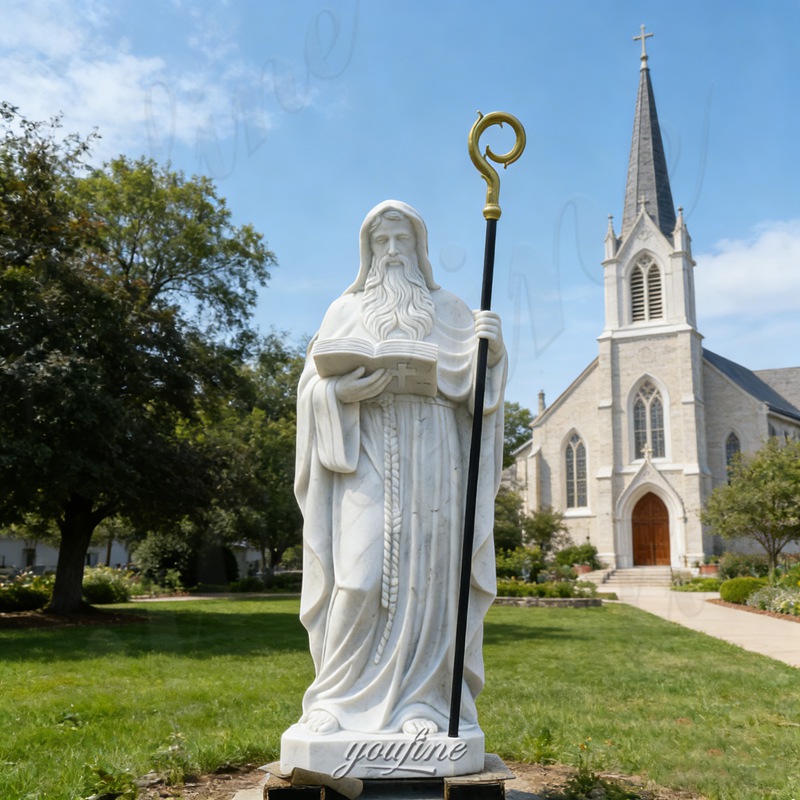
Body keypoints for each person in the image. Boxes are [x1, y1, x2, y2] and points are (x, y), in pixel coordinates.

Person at [294, 200, 506, 737]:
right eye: (381, 242)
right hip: (365, 449)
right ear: (367, 249)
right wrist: (340, 389)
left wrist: (493, 354)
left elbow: (478, 400)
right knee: (360, 579)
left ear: (420, 247)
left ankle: (425, 703)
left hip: (435, 454)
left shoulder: (452, 311)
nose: (392, 252)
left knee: (430, 580)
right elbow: (311, 387)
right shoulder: (343, 312)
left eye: (402, 241)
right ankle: (335, 700)